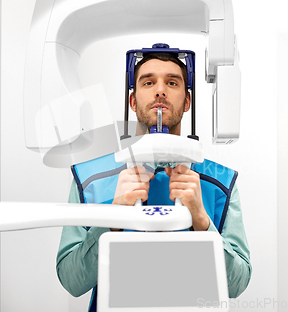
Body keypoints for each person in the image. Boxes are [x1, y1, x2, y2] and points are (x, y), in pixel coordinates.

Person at [56, 51, 251, 312]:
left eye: (172, 83)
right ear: (133, 101)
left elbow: (237, 284)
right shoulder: (90, 179)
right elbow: (72, 282)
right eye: (148, 82)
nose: (160, 91)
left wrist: (203, 224)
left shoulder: (220, 183)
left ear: (187, 101)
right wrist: (111, 220)